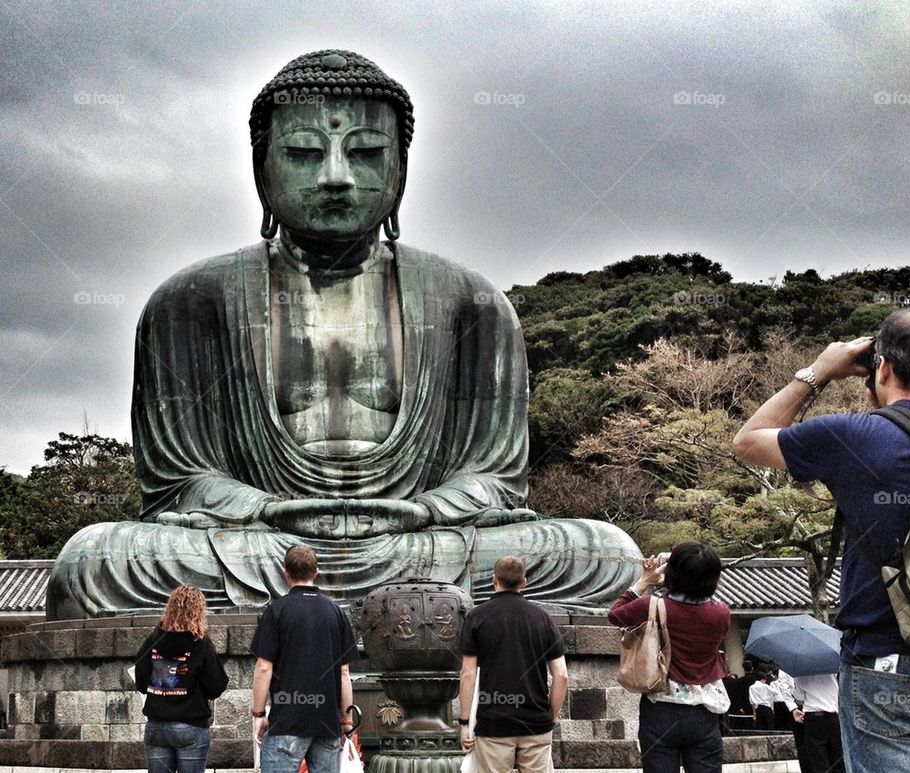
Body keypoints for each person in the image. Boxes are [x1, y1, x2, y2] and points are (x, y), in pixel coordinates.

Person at [47, 48, 642, 622]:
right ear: (262, 169)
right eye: (304, 152)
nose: (336, 177)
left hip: (423, 544)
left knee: (604, 554)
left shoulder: (471, 302)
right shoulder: (191, 301)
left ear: (400, 170)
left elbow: (495, 480)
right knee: (95, 560)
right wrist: (265, 508)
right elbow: (179, 481)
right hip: (261, 546)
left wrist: (421, 511)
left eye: (365, 152)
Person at [732, 307, 910, 772]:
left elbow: (748, 440)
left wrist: (819, 372)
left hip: (887, 666)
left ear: (884, 367)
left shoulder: (853, 436)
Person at [609, 542, 731, 773]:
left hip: (660, 709)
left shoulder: (650, 606)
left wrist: (645, 580)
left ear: (671, 571)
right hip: (705, 710)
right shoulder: (721, 613)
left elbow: (615, 615)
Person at [251, 545, 359, 772]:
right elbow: (344, 673)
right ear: (316, 572)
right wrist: (346, 720)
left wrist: (259, 714)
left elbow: (263, 667)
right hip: (326, 724)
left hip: (287, 722)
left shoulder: (276, 611)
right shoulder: (336, 612)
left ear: (285, 573)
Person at [458, 555, 568, 773]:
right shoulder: (542, 618)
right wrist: (550, 717)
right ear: (524, 582)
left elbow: (468, 674)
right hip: (536, 724)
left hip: (493, 724)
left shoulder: (477, 617)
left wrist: (464, 724)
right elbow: (562, 675)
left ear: (493, 580)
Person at [134, 585, 228, 773]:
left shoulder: (154, 640)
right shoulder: (200, 643)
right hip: (190, 725)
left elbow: (141, 681)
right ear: (199, 612)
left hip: (157, 725)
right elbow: (216, 686)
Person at [779, 673, 845, 773]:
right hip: (832, 715)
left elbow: (799, 696)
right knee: (837, 756)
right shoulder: (831, 671)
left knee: (818, 758)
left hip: (813, 718)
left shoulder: (802, 674)